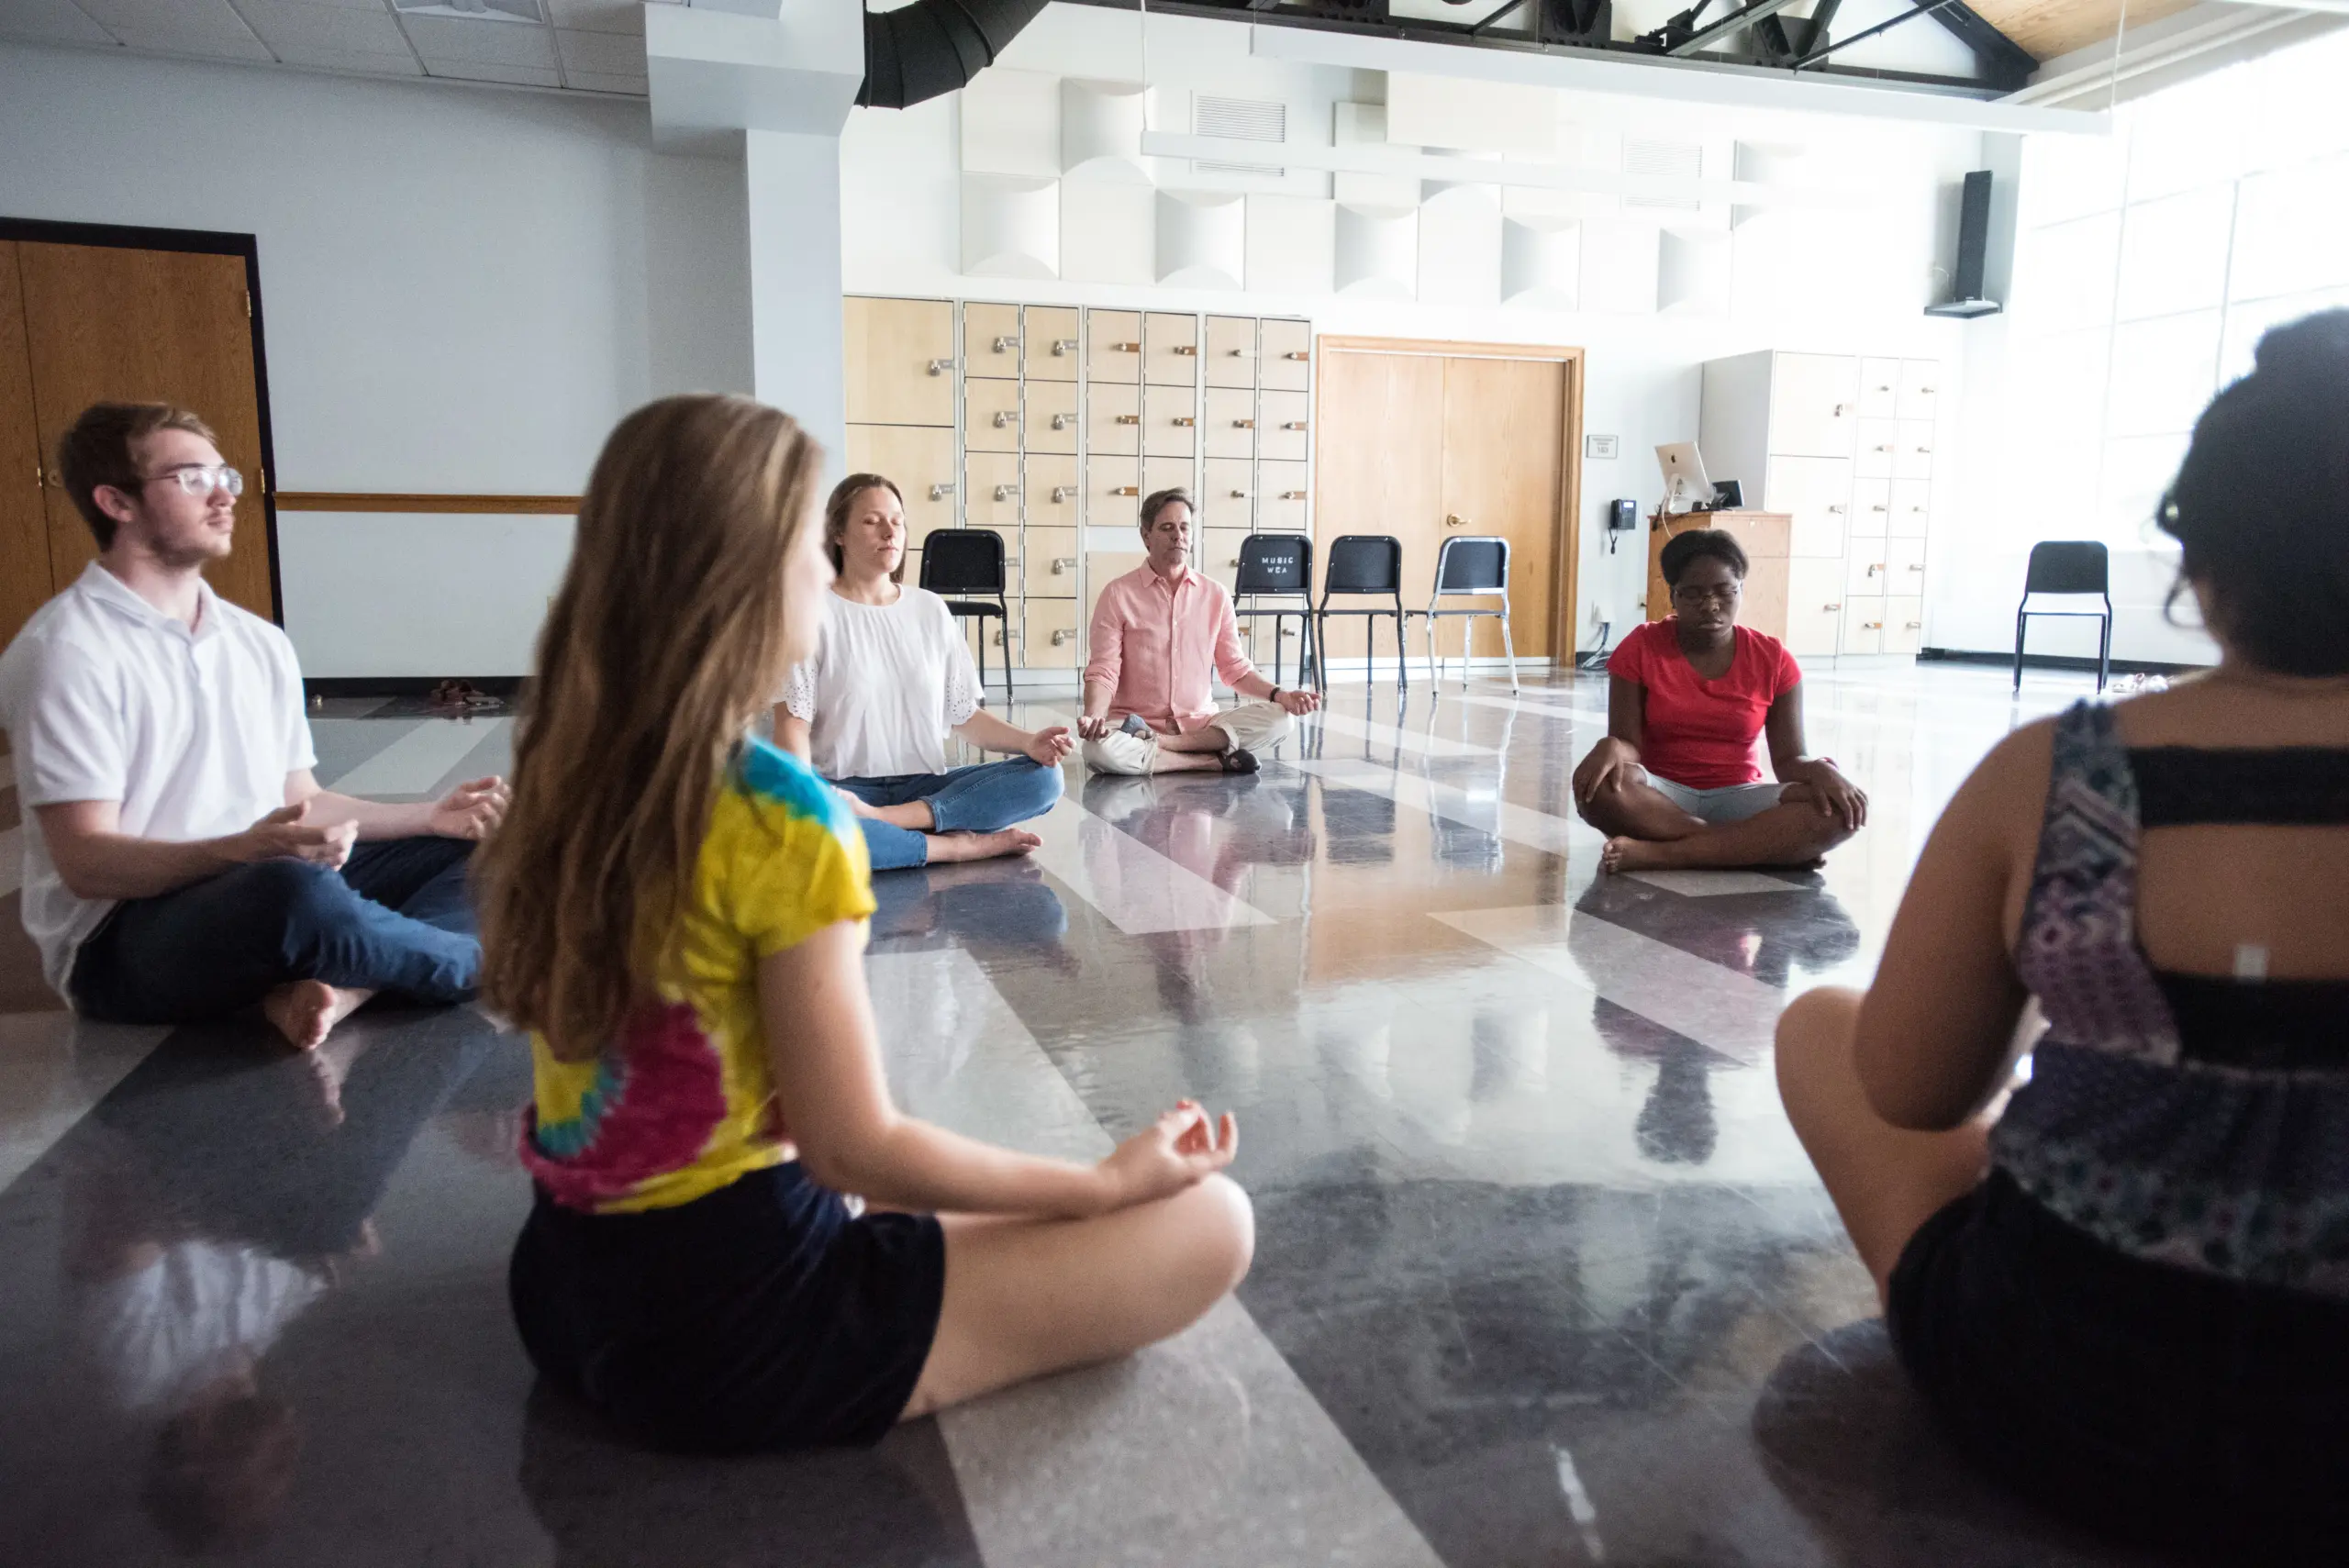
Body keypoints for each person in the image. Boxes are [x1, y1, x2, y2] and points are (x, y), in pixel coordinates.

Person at [479, 395, 1253, 1453]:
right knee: (1212, 1221)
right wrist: (1101, 1180)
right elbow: (856, 1148)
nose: (832, 561)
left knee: (965, 1210)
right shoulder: (774, 812)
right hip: (728, 1325)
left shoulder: (569, 766)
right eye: (809, 537)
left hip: (562, 1285)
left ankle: (928, 833)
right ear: (746, 572)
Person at [1774, 311, 2349, 1554]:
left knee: (1825, 1026)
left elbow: (1913, 1091)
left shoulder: (2067, 773)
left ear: (2202, 561)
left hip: (2068, 1388)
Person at [0, 403, 507, 1051]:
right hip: (123, 939)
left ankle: (351, 986)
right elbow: (87, 863)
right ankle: (485, 964)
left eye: (226, 476)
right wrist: (237, 850)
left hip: (258, 878)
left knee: (493, 846)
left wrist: (430, 816)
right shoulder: (66, 650)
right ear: (115, 502)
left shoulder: (257, 642)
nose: (223, 495)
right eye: (191, 477)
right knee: (295, 895)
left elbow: (305, 799)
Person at [772, 473, 1068, 871]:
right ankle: (958, 847)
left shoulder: (929, 609)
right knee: (807, 831)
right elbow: (792, 723)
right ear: (838, 533)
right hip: (844, 790)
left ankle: (894, 826)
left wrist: (1029, 742)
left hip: (925, 792)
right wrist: (805, 794)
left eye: (897, 520)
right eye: (872, 521)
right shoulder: (809, 611)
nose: (890, 531)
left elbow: (963, 714)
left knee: (1046, 780)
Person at [1571, 528, 1865, 873]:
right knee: (1598, 787)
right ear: (1673, 596)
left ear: (1741, 589)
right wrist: (1612, 747)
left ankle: (1666, 855)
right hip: (1660, 798)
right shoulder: (1641, 646)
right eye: (1693, 594)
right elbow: (1629, 745)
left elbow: (1789, 761)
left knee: (1839, 807)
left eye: (1725, 592)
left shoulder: (1774, 658)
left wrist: (1820, 771)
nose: (1711, 605)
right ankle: (1751, 847)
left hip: (1741, 796)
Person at [1077, 488, 1321, 774]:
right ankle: (1210, 760)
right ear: (1146, 536)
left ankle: (1166, 747)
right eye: (1167, 528)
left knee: (1281, 721)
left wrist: (1281, 696)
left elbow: (1235, 669)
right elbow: (1104, 669)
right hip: (1134, 723)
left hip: (1200, 723)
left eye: (1184, 527)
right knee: (1097, 750)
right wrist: (1094, 717)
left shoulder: (1215, 594)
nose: (1177, 535)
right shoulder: (1117, 594)